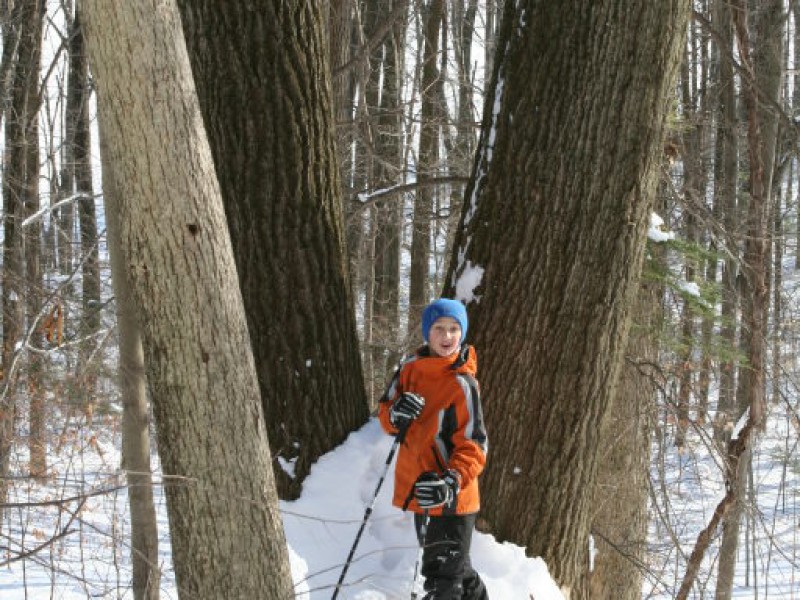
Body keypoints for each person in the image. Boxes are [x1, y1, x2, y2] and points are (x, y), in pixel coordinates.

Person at [379, 298, 489, 599]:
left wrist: (451, 482)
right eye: (439, 328)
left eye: (454, 329)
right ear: (428, 333)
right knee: (457, 572)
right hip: (422, 491)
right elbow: (386, 415)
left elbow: (475, 444)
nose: (446, 336)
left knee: (443, 581)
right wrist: (396, 415)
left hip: (453, 496)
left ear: (462, 333)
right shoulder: (409, 370)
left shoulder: (462, 384)